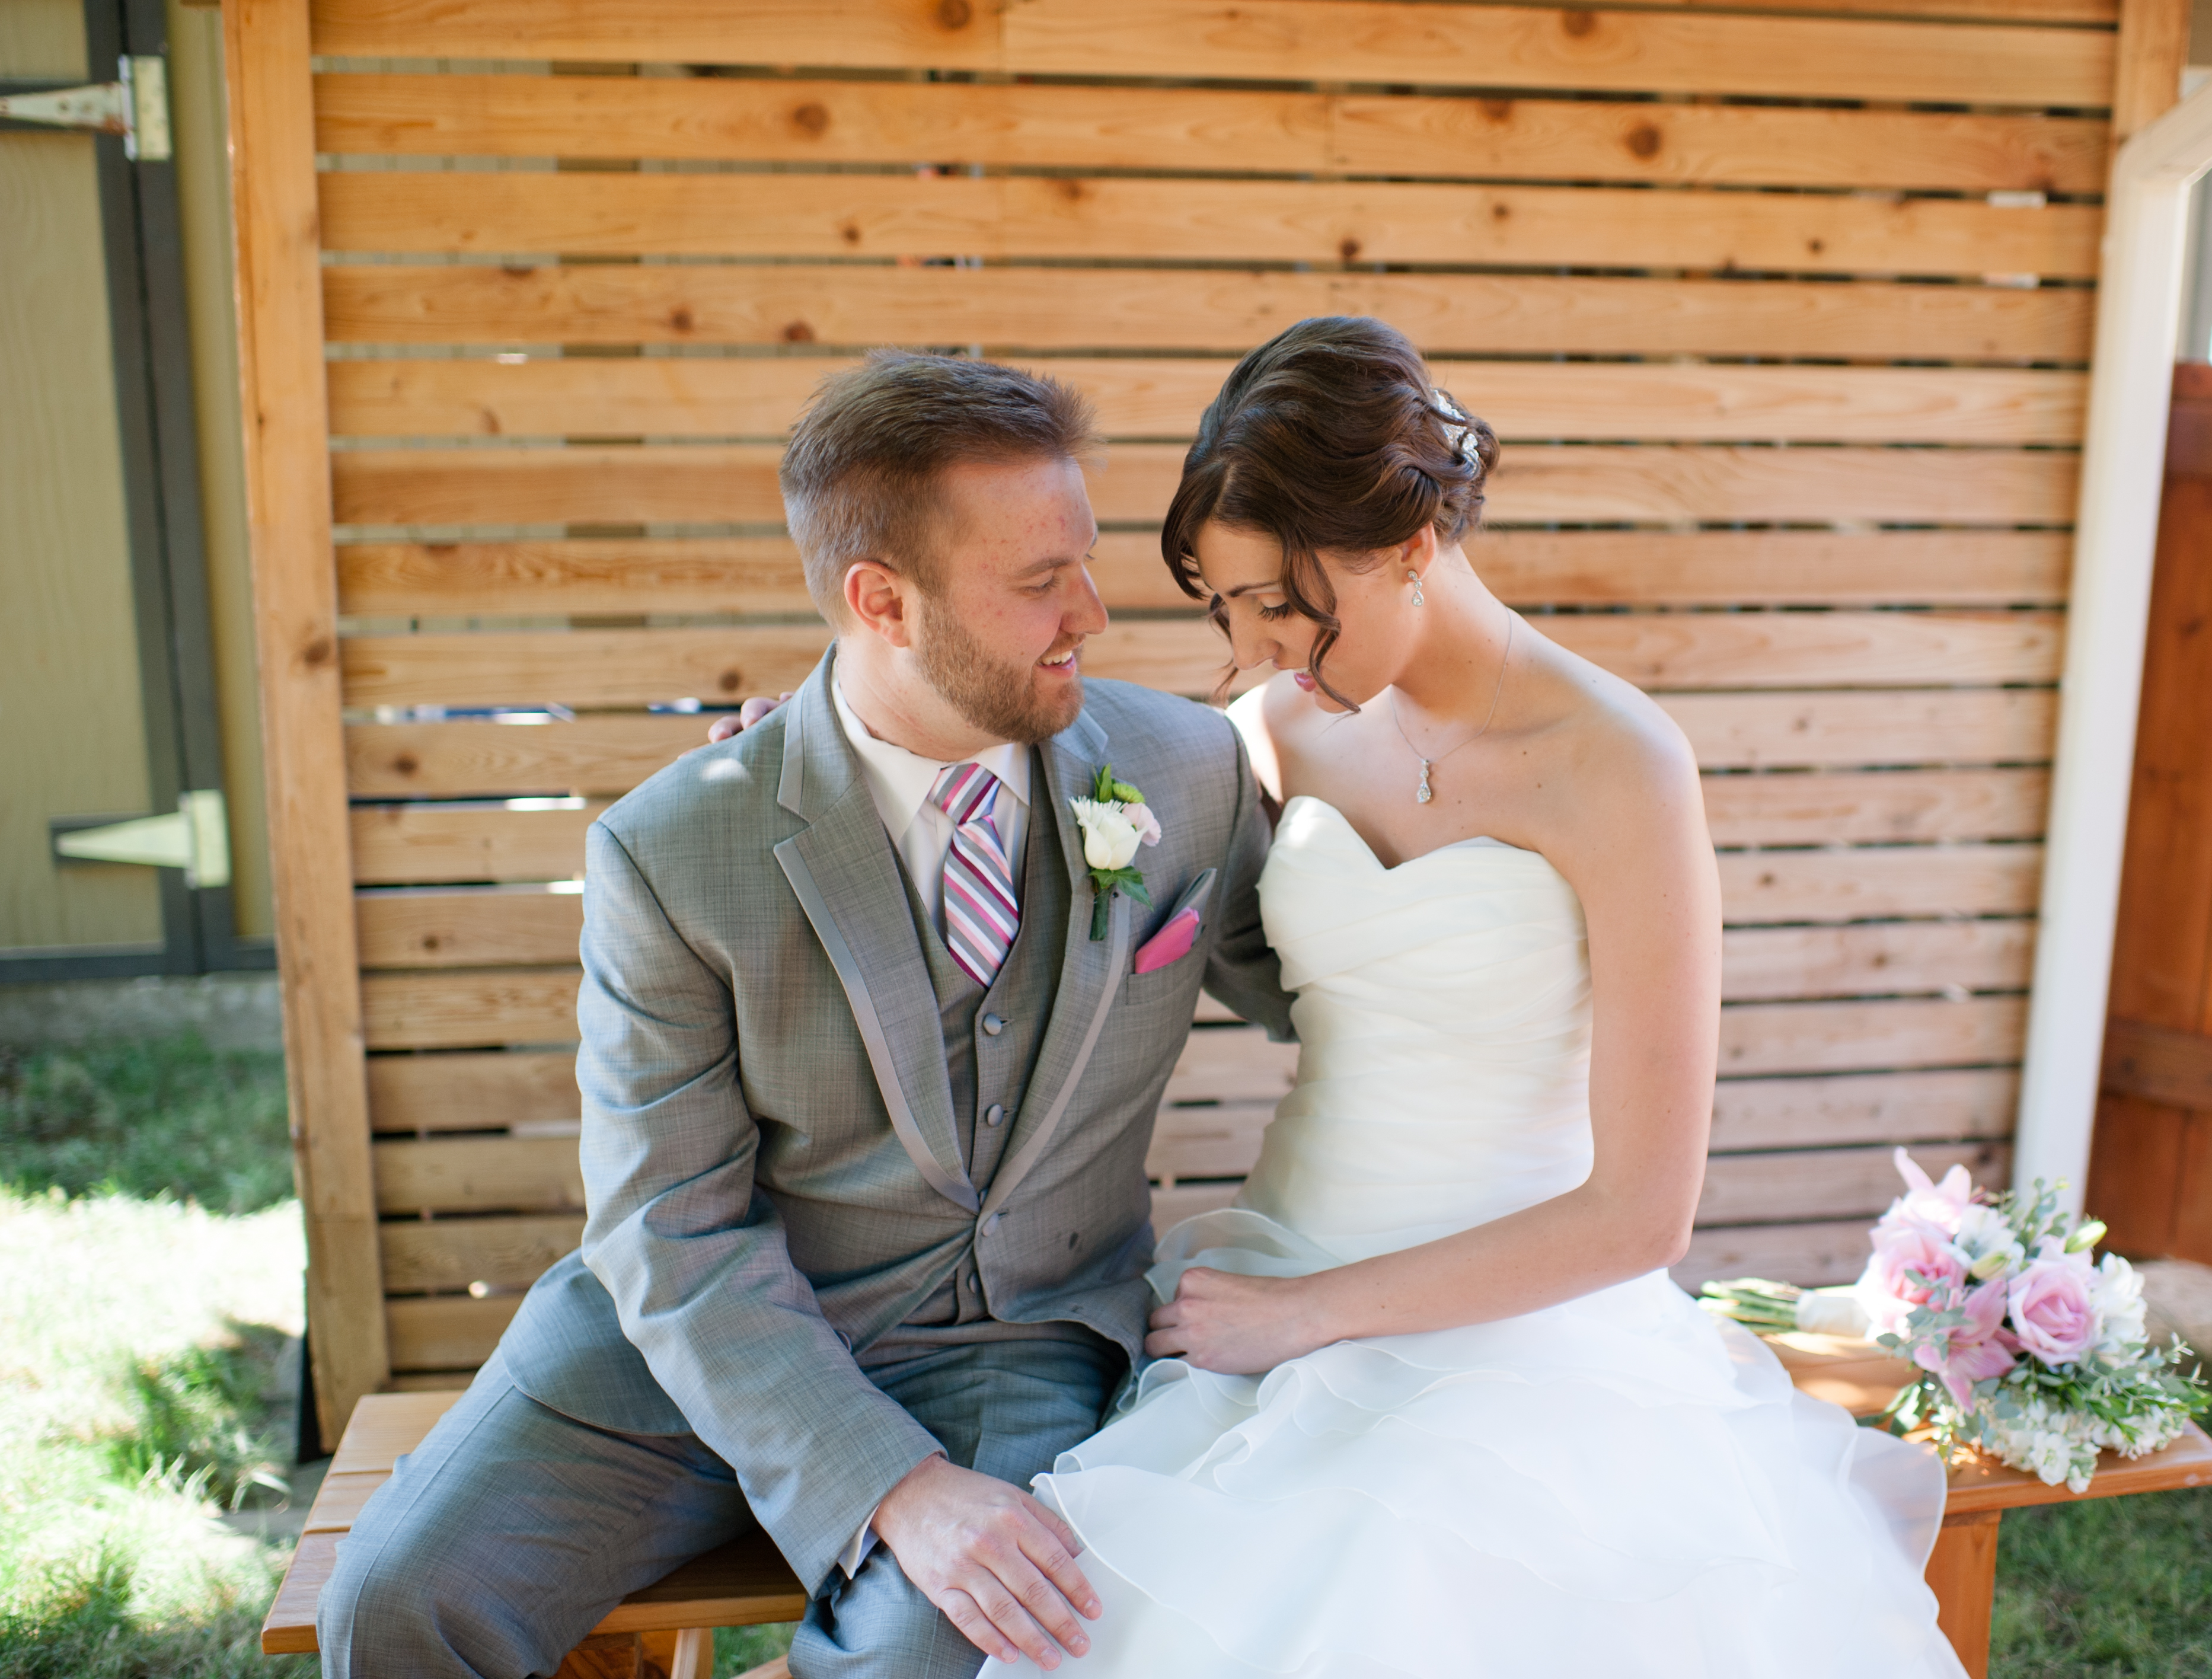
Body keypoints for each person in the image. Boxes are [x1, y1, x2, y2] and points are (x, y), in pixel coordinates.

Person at [976, 317, 1970, 1676]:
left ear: (1406, 541)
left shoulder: (1620, 762)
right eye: (1227, 609)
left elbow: (1643, 1212)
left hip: (1527, 1326)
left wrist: (1309, 1320)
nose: (1259, 646)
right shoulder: (1279, 732)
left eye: (1281, 599)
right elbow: (1062, 809)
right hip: (1275, 1257)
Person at [317, 352, 1295, 1679]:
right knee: (396, 1604)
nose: (1093, 613)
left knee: (936, 1659)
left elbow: (1317, 986)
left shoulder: (1187, 770)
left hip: (1005, 1347)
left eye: (1084, 560)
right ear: (880, 601)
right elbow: (668, 1226)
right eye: (1037, 582)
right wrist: (890, 1483)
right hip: (673, 1356)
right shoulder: (673, 849)